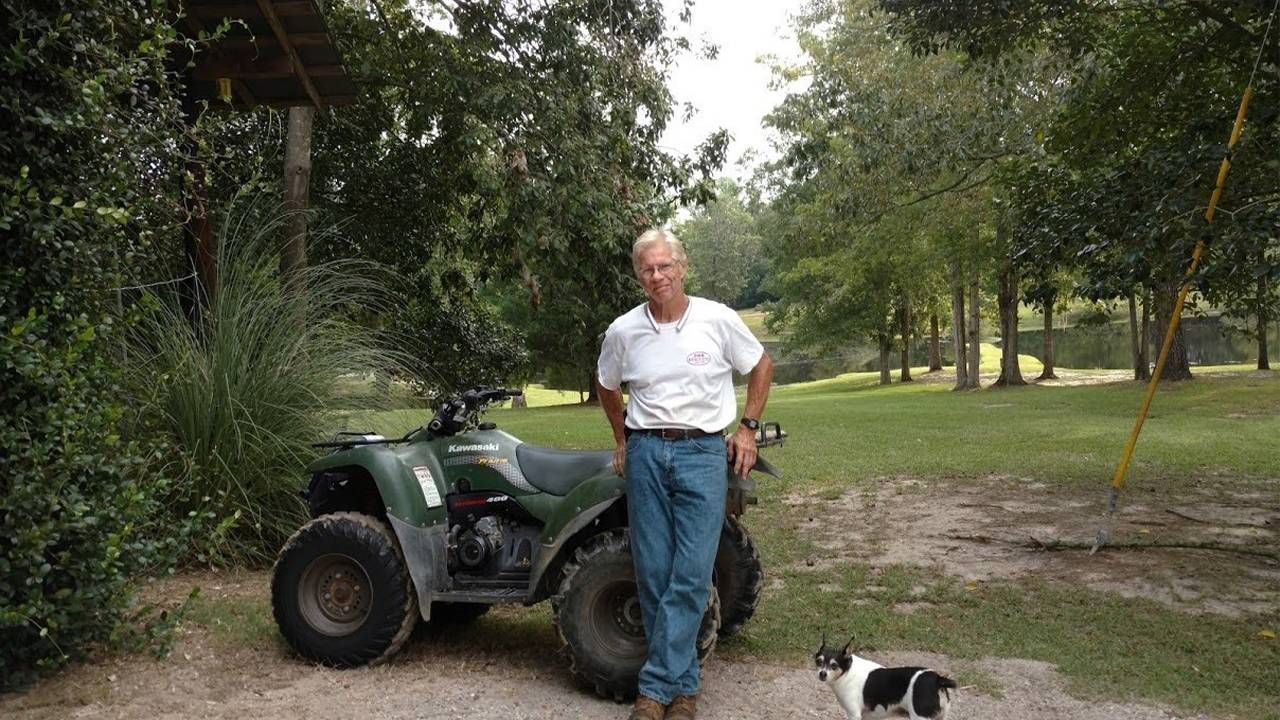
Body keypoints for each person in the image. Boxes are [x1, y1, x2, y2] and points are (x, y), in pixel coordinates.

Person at [596, 228, 774, 720]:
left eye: (665, 266)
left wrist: (749, 428)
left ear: (682, 267)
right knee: (653, 574)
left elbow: (761, 364)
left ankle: (653, 689)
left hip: (701, 451)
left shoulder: (716, 319)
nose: (658, 276)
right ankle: (683, 692)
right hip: (647, 453)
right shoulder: (624, 330)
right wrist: (621, 439)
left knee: (692, 576)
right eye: (648, 269)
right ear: (639, 276)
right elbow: (607, 384)